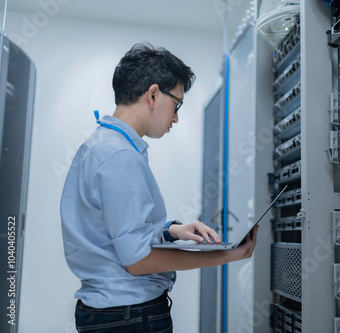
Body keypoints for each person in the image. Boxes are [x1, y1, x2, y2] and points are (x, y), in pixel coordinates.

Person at [60, 42, 258, 333]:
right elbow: (138, 261)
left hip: (114, 315)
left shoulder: (103, 145)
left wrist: (170, 230)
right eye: (176, 104)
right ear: (153, 94)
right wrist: (224, 256)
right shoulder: (120, 157)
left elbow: (115, 232)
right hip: (129, 318)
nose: (176, 117)